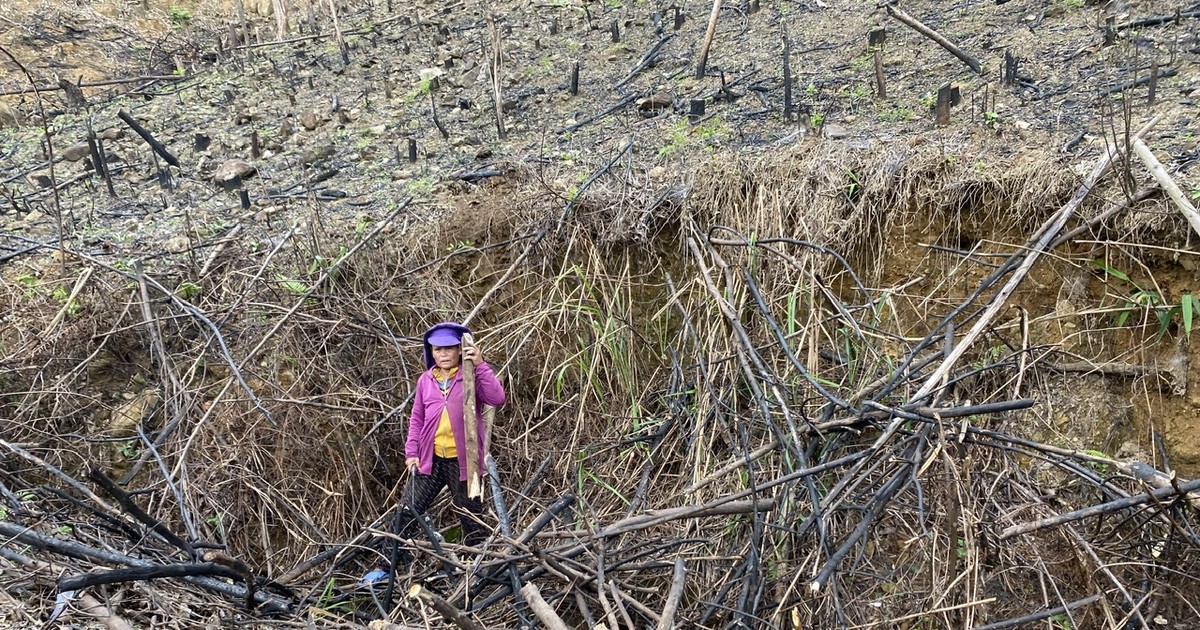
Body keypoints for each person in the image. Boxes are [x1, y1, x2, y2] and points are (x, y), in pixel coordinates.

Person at [399, 321, 506, 547]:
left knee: (471, 517)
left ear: (459, 350)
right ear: (431, 352)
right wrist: (412, 453)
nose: (443, 353)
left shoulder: (470, 375)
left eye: (449, 348)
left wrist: (480, 364)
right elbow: (417, 418)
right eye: (438, 349)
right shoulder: (425, 381)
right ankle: (389, 564)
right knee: (407, 512)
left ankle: (479, 568)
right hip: (432, 459)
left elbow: (497, 399)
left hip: (464, 460)